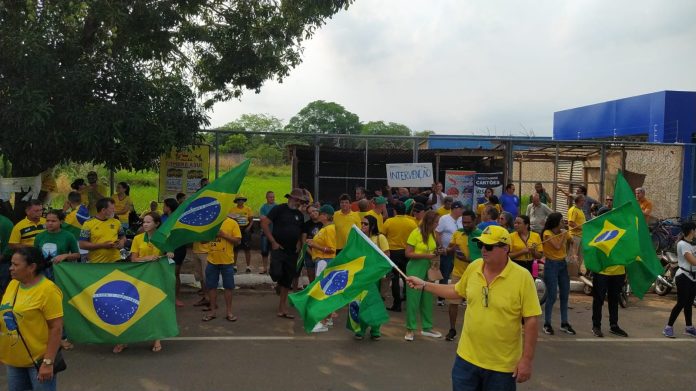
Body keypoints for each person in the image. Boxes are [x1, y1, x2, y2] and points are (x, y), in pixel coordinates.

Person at [405, 225, 541, 389]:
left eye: (489, 246)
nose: (484, 250)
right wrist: (425, 285)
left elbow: (531, 320)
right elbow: (456, 290)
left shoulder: (522, 277)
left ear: (505, 248)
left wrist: (526, 360)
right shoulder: (475, 266)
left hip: (502, 368)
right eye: (481, 245)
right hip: (466, 361)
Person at [0, 247, 63, 390]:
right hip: (14, 360)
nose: (10, 268)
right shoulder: (13, 284)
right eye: (11, 264)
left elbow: (56, 328)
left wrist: (48, 362)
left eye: (16, 265)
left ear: (32, 267)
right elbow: (5, 313)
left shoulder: (48, 290)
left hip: (38, 361)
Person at [129, 212, 175, 352]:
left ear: (157, 224)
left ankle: (157, 338)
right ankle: (125, 339)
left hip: (157, 277)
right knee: (135, 307)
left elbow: (170, 255)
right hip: (140, 277)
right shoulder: (137, 239)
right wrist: (147, 258)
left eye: (148, 222)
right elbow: (133, 259)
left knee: (155, 307)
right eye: (144, 222)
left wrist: (169, 253)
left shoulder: (164, 238)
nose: (145, 224)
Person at [261, 188, 307, 319]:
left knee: (287, 279)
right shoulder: (279, 209)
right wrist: (273, 241)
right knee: (276, 273)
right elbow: (264, 223)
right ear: (290, 198)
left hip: (292, 251)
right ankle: (278, 284)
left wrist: (299, 243)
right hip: (278, 248)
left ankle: (282, 308)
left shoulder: (300, 215)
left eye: (300, 201)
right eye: (297, 199)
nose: (298, 202)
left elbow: (301, 231)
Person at [404, 210, 443, 341]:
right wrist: (427, 255)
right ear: (429, 222)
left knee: (427, 298)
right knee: (413, 299)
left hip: (429, 267)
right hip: (415, 267)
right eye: (436, 222)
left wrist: (439, 250)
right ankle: (410, 329)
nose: (438, 224)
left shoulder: (433, 233)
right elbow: (408, 253)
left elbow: (435, 248)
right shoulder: (415, 233)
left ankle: (427, 327)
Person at [444, 210, 480, 341]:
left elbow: (483, 257)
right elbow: (450, 248)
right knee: (453, 303)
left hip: (475, 274)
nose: (465, 225)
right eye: (463, 222)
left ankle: (473, 331)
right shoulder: (458, 233)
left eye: (468, 222)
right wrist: (447, 250)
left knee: (474, 304)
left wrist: (466, 259)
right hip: (457, 273)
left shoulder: (480, 236)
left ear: (475, 221)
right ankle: (452, 329)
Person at [353, 214, 389, 340]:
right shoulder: (358, 237)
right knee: (360, 301)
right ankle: (360, 329)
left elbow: (386, 256)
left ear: (372, 225)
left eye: (366, 224)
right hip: (361, 275)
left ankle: (375, 329)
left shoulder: (380, 238)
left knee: (374, 302)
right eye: (362, 223)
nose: (363, 225)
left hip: (375, 276)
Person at [201, 215, 242, 324]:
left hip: (227, 262)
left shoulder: (232, 223)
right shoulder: (210, 222)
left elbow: (238, 241)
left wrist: (224, 235)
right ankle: (212, 312)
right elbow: (202, 241)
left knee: (228, 287)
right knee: (211, 287)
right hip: (212, 261)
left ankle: (229, 312)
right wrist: (210, 234)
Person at [541, 212, 575, 336]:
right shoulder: (547, 233)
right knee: (552, 295)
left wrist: (572, 253)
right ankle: (547, 323)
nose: (563, 223)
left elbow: (572, 242)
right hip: (551, 265)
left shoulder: (563, 233)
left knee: (565, 294)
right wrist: (563, 234)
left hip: (562, 264)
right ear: (556, 222)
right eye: (561, 221)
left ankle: (564, 323)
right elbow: (556, 246)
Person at [382, 202, 418, 312]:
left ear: (394, 211)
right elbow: (415, 236)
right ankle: (411, 301)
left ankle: (397, 304)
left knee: (395, 279)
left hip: (393, 253)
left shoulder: (389, 221)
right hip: (407, 252)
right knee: (407, 277)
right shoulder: (412, 223)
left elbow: (383, 235)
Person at [663, 221, 696, 338]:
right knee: (681, 303)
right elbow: (692, 261)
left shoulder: (693, 244)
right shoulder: (682, 244)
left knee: (688, 303)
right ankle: (668, 327)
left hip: (693, 277)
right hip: (683, 276)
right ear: (692, 231)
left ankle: (689, 328)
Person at [79, 198, 125, 263]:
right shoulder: (88, 224)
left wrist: (121, 243)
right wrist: (102, 245)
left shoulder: (117, 222)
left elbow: (122, 237)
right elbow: (82, 244)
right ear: (103, 210)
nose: (114, 210)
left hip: (116, 261)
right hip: (97, 263)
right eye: (112, 209)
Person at [435, 200, 464, 306]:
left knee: (459, 273)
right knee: (445, 273)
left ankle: (461, 295)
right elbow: (437, 232)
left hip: (459, 251)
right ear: (455, 209)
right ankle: (441, 297)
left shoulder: (461, 219)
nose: (462, 211)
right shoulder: (444, 219)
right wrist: (441, 246)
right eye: (460, 209)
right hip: (447, 250)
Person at [228, 195, 253, 273]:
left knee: (247, 248)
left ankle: (248, 266)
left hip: (246, 229)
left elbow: (251, 220)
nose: (240, 201)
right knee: (235, 248)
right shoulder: (232, 209)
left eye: (242, 200)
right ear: (236, 201)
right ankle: (234, 266)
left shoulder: (248, 209)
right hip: (236, 229)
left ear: (244, 201)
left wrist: (248, 228)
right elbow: (231, 220)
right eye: (239, 200)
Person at [301, 204, 324, 283]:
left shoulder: (324, 223)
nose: (312, 213)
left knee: (321, 277)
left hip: (323, 253)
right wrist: (312, 254)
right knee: (311, 277)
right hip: (309, 254)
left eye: (314, 211)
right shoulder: (306, 225)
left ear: (318, 210)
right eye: (310, 213)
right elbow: (304, 242)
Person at [567, 194, 586, 277]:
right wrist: (581, 228)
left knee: (580, 255)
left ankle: (577, 271)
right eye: (583, 201)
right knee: (573, 255)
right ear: (579, 201)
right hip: (574, 236)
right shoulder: (573, 210)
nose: (584, 202)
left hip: (581, 236)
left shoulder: (580, 210)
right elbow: (571, 222)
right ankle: (570, 272)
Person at [259, 191, 277, 274]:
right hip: (265, 233)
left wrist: (267, 218)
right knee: (264, 251)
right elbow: (262, 218)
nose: (272, 198)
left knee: (274, 252)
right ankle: (265, 268)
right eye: (270, 197)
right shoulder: (263, 207)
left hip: (275, 232)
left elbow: (266, 218)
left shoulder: (277, 207)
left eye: (273, 197)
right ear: (266, 198)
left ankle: (272, 268)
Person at [0, 212, 13, 295]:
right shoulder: (7, 222)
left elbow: (11, 244)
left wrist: (2, 256)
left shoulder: (5, 223)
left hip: (3, 260)